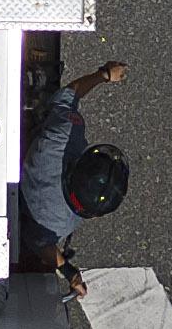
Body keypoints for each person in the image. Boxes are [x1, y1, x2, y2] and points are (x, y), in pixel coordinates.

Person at [21, 59, 128, 291]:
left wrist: (104, 75)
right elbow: (41, 244)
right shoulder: (60, 223)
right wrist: (69, 271)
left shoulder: (65, 134)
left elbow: (70, 94)